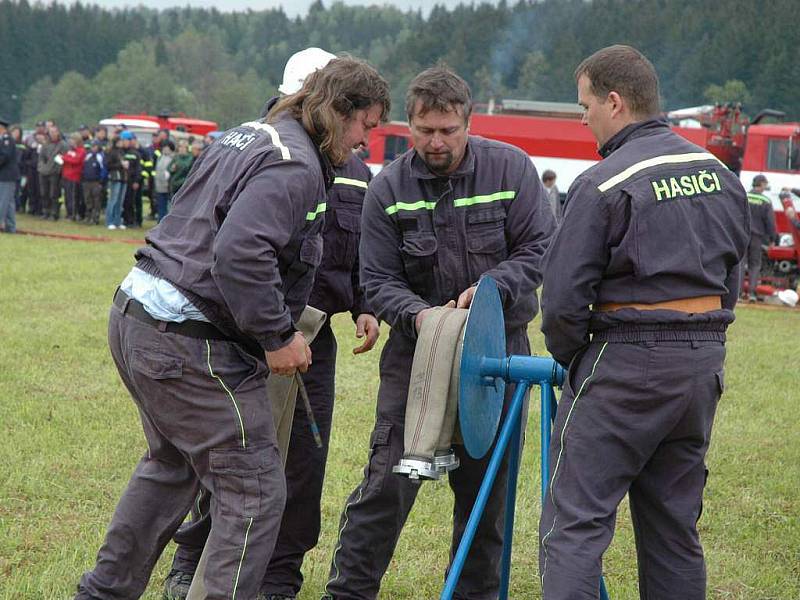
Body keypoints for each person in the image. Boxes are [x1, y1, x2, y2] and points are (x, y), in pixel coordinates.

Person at [73, 55, 390, 600]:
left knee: (171, 466)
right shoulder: (294, 164)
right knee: (256, 492)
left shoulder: (250, 136)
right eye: (367, 124)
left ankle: (102, 593)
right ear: (340, 109)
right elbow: (241, 252)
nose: (366, 141)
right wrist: (277, 335)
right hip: (186, 337)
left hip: (139, 315)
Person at [322, 65, 555, 600]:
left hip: (498, 358)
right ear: (410, 126)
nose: (436, 142)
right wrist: (422, 317)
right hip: (415, 357)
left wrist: (493, 287)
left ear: (467, 123)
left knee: (485, 493)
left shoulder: (512, 171)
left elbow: (539, 250)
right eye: (425, 131)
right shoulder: (389, 189)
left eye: (448, 130)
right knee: (387, 483)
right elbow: (376, 279)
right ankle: (349, 592)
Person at [162, 47, 383, 600]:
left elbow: (358, 248)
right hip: (247, 328)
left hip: (311, 334)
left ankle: (281, 575)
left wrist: (364, 301)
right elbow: (229, 243)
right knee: (231, 457)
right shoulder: (268, 150)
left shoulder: (355, 169)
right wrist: (269, 334)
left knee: (303, 463)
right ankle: (193, 561)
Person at [538, 45, 749, 600]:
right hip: (702, 364)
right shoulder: (722, 177)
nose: (582, 119)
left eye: (585, 106)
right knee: (674, 527)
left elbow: (561, 302)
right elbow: (732, 278)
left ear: (614, 101)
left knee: (574, 526)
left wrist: (574, 359)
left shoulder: (602, 183)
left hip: (625, 361)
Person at [743, 174, 776, 301]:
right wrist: (772, 239)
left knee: (740, 264)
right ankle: (752, 293)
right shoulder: (765, 201)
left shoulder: (744, 196)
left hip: (743, 234)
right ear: (761, 184)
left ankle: (739, 295)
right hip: (757, 237)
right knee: (755, 265)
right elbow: (770, 222)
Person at [37, 124, 68, 220]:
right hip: (44, 172)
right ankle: (46, 211)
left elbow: (64, 159)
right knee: (44, 193)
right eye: (51, 132)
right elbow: (41, 157)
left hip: (55, 173)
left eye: (55, 132)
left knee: (54, 194)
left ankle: (54, 213)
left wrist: (57, 169)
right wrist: (42, 167)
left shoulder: (63, 145)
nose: (53, 134)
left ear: (58, 132)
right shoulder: (45, 144)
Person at [0, 117, 20, 233]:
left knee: (3, 200)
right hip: (4, 175)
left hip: (6, 175)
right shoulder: (3, 139)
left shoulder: (7, 139)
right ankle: (11, 226)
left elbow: (5, 156)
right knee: (9, 202)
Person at [105, 136, 129, 230]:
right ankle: (109, 221)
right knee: (113, 200)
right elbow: (108, 165)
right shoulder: (111, 152)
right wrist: (120, 165)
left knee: (120, 201)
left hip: (123, 178)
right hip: (115, 178)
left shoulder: (122, 152)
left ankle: (118, 221)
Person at [61, 133, 86, 220]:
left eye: (72, 140)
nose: (70, 142)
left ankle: (73, 214)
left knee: (73, 197)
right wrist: (66, 159)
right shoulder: (70, 150)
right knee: (67, 196)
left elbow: (76, 161)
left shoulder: (81, 151)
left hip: (75, 177)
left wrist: (65, 159)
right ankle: (68, 213)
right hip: (66, 175)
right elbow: (66, 158)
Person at [81, 139, 106, 225]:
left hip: (96, 182)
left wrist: (101, 181)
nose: (93, 148)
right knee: (87, 199)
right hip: (86, 181)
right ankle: (88, 216)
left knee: (96, 200)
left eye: (95, 146)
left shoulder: (100, 156)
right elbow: (83, 166)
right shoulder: (88, 155)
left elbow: (103, 169)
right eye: (92, 146)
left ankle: (95, 218)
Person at [153, 139, 175, 223]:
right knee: (161, 207)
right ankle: (160, 223)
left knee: (169, 207)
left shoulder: (173, 158)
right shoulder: (160, 158)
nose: (164, 149)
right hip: (159, 186)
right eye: (163, 147)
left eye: (166, 147)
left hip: (168, 187)